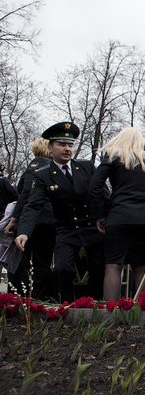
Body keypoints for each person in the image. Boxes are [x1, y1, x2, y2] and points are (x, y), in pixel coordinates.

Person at [15, 122, 106, 302]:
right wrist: (24, 231)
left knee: (98, 267)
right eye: (62, 144)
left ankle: (95, 306)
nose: (67, 149)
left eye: (70, 145)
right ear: (50, 147)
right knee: (61, 269)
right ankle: (67, 306)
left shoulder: (86, 167)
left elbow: (103, 194)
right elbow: (33, 205)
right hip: (67, 228)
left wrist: (106, 217)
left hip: (92, 226)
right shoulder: (43, 175)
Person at [88, 127, 145, 302]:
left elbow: (94, 186)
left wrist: (100, 215)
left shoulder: (112, 157)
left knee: (113, 266)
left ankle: (110, 311)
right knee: (141, 267)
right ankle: (143, 311)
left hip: (119, 216)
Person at [4, 138, 56, 300]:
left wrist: (14, 219)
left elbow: (24, 196)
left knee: (24, 261)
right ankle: (42, 297)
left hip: (29, 222)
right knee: (43, 261)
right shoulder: (53, 168)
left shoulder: (31, 169)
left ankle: (22, 296)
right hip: (49, 221)